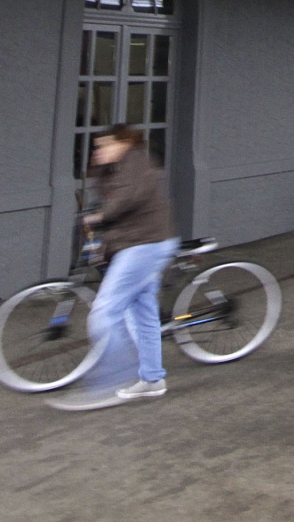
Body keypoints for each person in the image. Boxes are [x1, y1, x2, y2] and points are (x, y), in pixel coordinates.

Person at [49, 124, 180, 411]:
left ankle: (111, 382)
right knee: (143, 315)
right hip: (144, 243)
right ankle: (152, 379)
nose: (100, 150)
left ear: (123, 143)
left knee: (105, 312)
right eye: (97, 147)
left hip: (144, 245)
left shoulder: (135, 161)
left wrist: (100, 217)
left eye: (105, 145)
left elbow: (130, 197)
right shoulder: (116, 169)